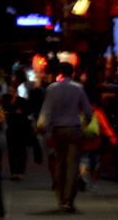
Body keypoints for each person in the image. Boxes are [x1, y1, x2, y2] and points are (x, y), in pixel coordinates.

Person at [38, 61, 94, 212]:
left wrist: (43, 127)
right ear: (73, 72)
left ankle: (61, 197)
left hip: (57, 130)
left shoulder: (52, 88)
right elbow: (88, 111)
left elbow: (47, 111)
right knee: (73, 166)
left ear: (59, 72)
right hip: (74, 129)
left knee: (59, 164)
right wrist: (85, 125)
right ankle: (69, 200)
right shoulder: (78, 88)